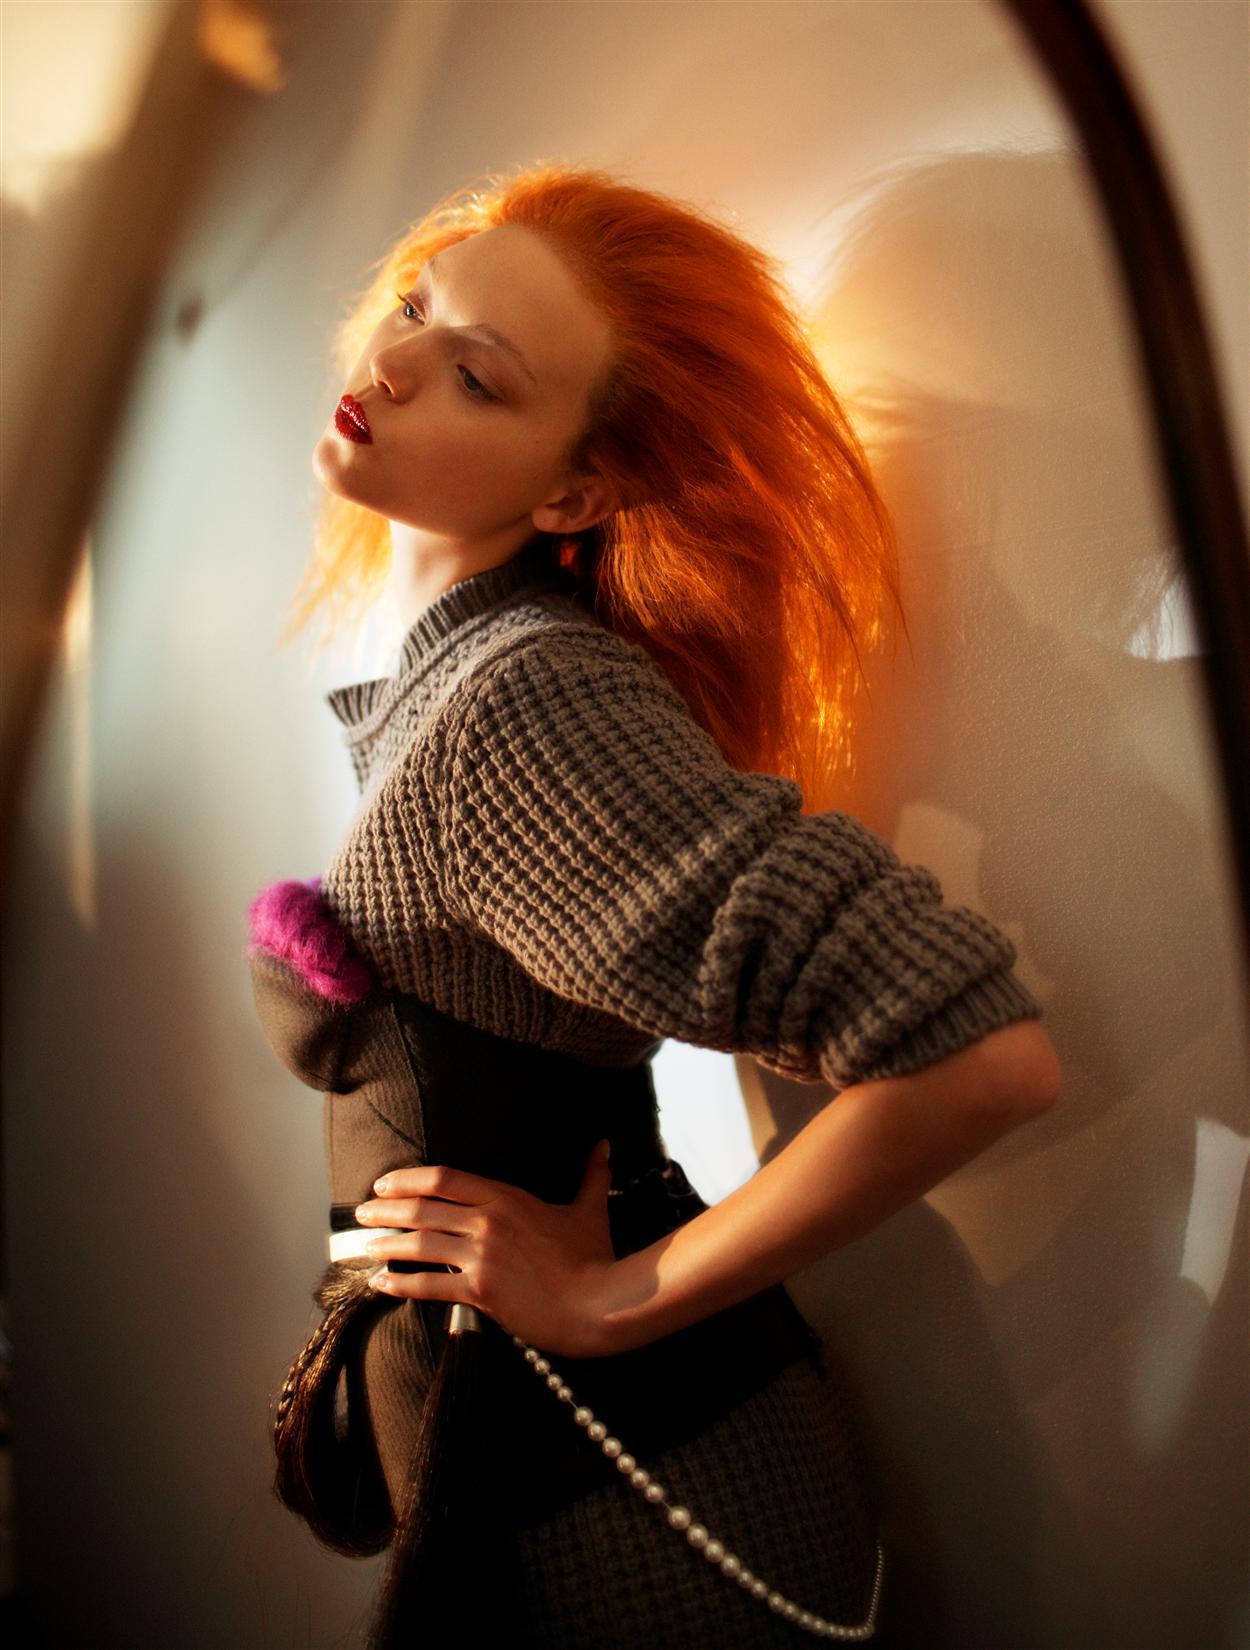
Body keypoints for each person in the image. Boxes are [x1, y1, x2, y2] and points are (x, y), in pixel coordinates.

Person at [245, 163, 1062, 1649]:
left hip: (643, 1521)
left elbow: (980, 1056)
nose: (395, 362)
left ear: (574, 491)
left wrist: (604, 1300)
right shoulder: (469, 677)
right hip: (571, 1474)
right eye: (416, 306)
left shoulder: (520, 708)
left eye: (478, 375)